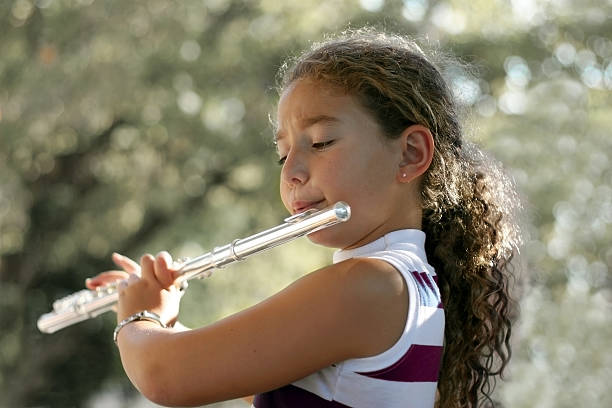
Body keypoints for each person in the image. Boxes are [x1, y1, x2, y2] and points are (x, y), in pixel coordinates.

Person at [86, 28, 521, 408]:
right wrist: (166, 321)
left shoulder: (370, 285)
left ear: (410, 153)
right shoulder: (408, 282)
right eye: (282, 153)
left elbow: (166, 377)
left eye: (321, 142)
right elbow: (270, 376)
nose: (291, 171)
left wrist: (137, 318)